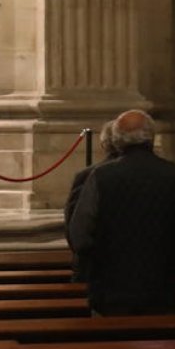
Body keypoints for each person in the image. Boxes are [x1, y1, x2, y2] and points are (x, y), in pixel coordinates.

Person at [67, 109, 175, 315]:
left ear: (118, 140)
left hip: (110, 292)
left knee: (111, 346)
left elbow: (80, 236)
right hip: (161, 289)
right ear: (152, 137)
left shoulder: (101, 176)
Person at [64, 119, 117, 281]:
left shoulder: (88, 176)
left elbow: (75, 228)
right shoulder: (170, 173)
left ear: (104, 145)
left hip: (95, 270)